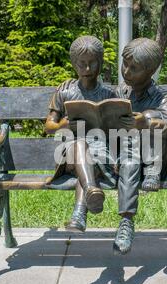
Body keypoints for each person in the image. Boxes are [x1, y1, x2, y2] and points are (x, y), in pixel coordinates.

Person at [113, 38, 167, 254]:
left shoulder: (162, 97)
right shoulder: (120, 93)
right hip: (126, 159)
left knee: (150, 117)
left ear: (150, 71)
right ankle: (126, 223)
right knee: (130, 150)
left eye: (134, 68)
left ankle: (151, 172)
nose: (127, 72)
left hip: (158, 162)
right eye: (125, 64)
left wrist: (146, 122)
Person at [45, 36, 117, 233]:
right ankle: (92, 191)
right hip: (69, 155)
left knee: (86, 164)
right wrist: (62, 124)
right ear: (74, 64)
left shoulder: (110, 94)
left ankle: (80, 214)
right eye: (81, 64)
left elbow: (121, 128)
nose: (87, 69)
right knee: (79, 146)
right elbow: (48, 126)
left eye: (92, 63)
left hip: (101, 155)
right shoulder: (65, 93)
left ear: (100, 63)